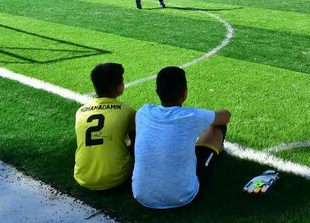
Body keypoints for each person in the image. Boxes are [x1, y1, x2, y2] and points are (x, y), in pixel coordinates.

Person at [132, 66, 231, 209]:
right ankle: (217, 151)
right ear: (184, 92)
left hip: (141, 195)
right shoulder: (192, 116)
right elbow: (226, 116)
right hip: (183, 197)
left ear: (157, 91)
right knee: (218, 127)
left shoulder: (143, 112)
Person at [74, 63, 136, 191]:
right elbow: (137, 146)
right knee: (130, 144)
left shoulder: (80, 111)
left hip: (83, 177)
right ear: (117, 87)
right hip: (117, 178)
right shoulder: (127, 111)